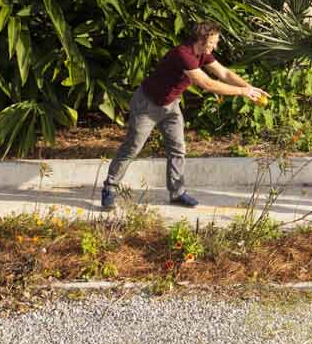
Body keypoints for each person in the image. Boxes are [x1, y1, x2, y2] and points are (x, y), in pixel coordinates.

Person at [99, 20, 266, 211]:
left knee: (178, 148)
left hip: (171, 105)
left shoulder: (204, 54)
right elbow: (207, 84)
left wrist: (248, 87)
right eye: (213, 42)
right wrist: (241, 93)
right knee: (132, 147)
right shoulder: (183, 54)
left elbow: (224, 73)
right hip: (147, 104)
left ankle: (177, 193)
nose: (215, 46)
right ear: (201, 40)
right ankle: (109, 188)